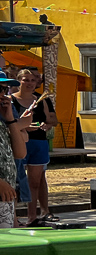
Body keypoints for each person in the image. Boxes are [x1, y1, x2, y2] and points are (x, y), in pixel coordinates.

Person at [11, 69, 57, 225]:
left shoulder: (42, 100)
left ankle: (32, 217)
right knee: (16, 181)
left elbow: (52, 120)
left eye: (32, 80)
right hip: (19, 143)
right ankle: (13, 218)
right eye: (25, 80)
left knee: (35, 182)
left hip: (39, 142)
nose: (29, 83)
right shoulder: (11, 100)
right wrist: (23, 127)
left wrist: (46, 125)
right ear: (19, 81)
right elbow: (9, 123)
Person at [0, 77, 29, 228]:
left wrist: (10, 120)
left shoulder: (2, 121)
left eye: (6, 90)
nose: (3, 95)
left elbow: (20, 153)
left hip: (5, 198)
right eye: (0, 89)